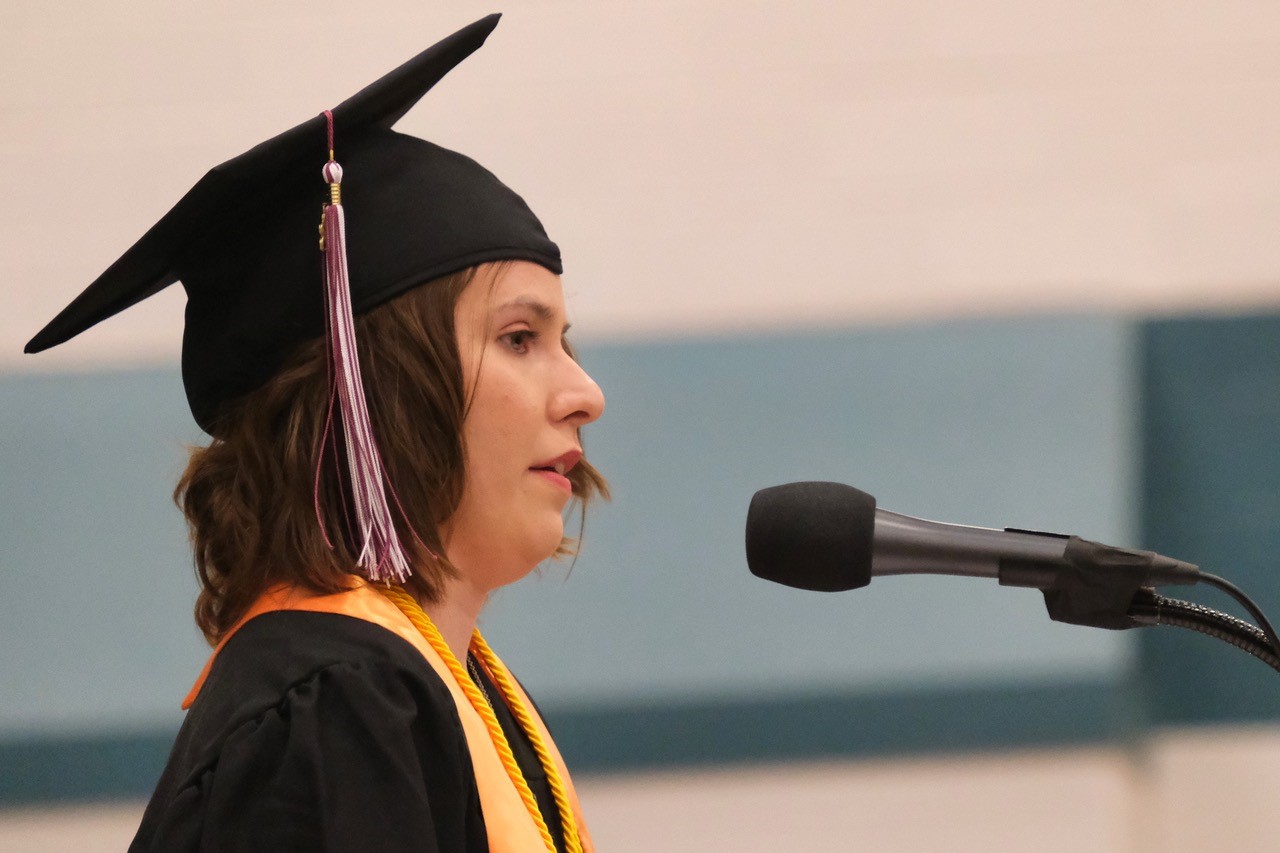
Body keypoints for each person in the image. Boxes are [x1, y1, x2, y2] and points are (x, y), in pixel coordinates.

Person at [25, 14, 605, 853]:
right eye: (520, 337)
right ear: (368, 393)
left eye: (564, 342)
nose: (585, 393)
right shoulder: (337, 709)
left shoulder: (449, 689)